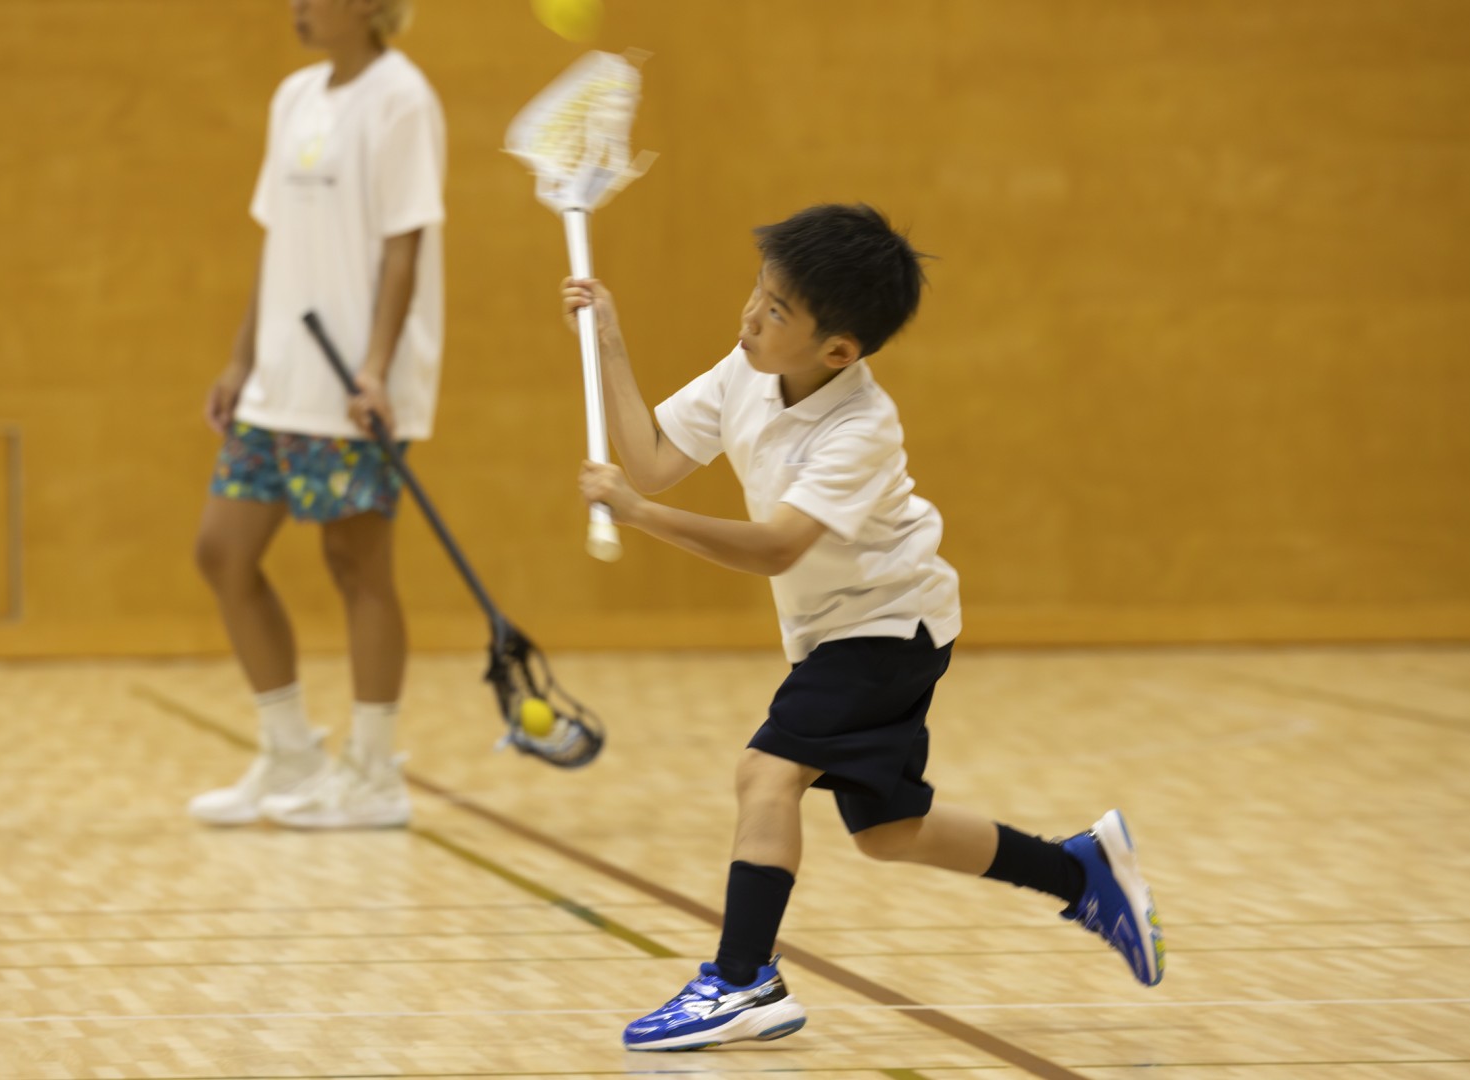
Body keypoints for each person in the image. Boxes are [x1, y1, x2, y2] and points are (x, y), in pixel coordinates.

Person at [563, 204, 1165, 1051]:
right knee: (889, 831)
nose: (750, 315)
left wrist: (639, 516)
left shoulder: (860, 427)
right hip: (843, 629)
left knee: (765, 774)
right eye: (758, 291)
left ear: (837, 351)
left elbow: (776, 547)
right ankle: (1079, 873)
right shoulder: (746, 370)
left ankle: (742, 980)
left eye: (776, 309)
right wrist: (609, 342)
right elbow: (655, 460)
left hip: (886, 626)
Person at [189, 0, 446, 830]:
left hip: (352, 384)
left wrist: (375, 366)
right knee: (222, 552)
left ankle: (374, 774)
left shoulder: (402, 97)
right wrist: (242, 357)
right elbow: (280, 242)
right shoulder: (293, 96)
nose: (296, 6)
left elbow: (405, 247)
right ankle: (290, 752)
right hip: (279, 379)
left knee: (355, 564)